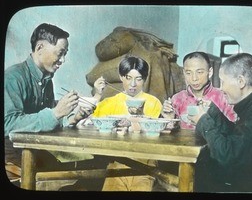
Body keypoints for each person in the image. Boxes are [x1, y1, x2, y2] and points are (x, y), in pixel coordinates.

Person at [4, 23, 96, 189]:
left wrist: (73, 118)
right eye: (60, 53)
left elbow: (46, 123)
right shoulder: (13, 77)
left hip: (36, 149)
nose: (63, 60)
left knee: (92, 163)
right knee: (73, 179)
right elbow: (7, 124)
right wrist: (55, 114)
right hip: (12, 153)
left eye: (65, 54)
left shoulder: (47, 81)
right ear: (40, 47)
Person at [189, 53, 252, 192]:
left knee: (200, 168)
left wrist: (203, 120)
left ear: (241, 82)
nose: (221, 88)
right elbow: (239, 137)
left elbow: (228, 155)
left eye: (223, 81)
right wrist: (214, 112)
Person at [91, 55, 163, 191]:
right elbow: (92, 122)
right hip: (117, 160)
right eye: (128, 78)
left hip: (145, 161)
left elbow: (154, 134)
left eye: (138, 79)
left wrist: (134, 122)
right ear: (121, 77)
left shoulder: (153, 102)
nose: (133, 84)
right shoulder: (110, 102)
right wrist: (97, 95)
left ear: (145, 79)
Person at [161, 51, 237, 129]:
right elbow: (172, 135)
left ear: (210, 72)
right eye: (188, 73)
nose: (194, 78)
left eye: (199, 72)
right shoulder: (177, 99)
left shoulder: (223, 97)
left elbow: (234, 131)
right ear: (183, 73)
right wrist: (169, 120)